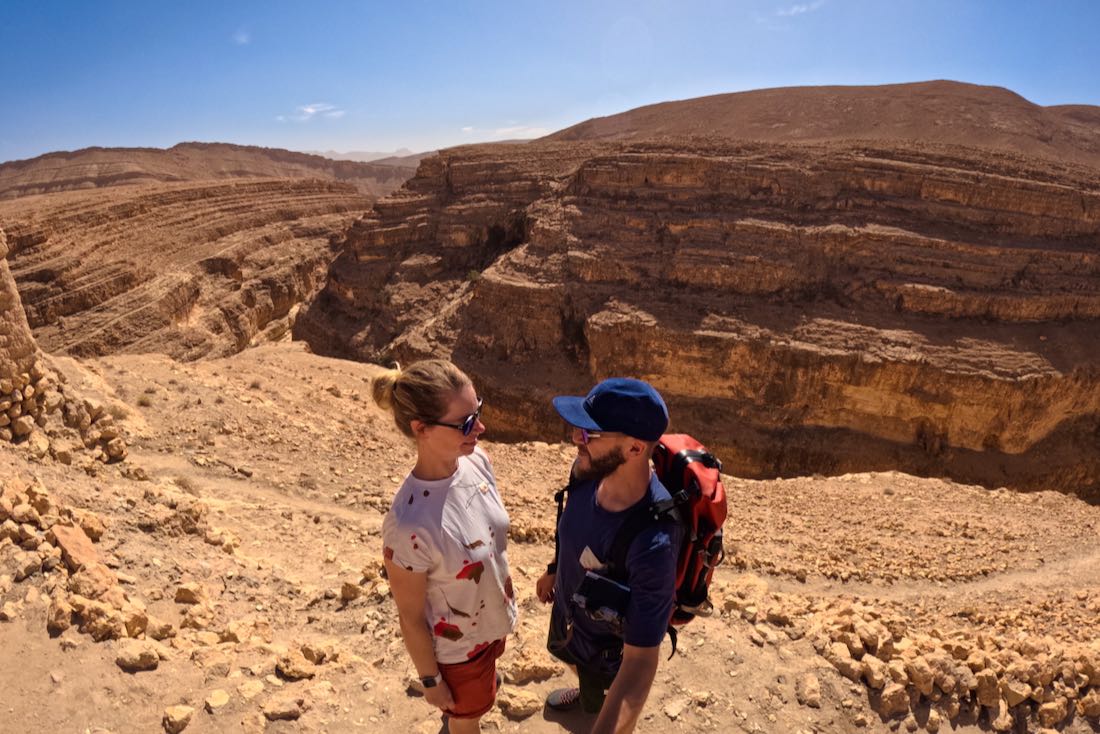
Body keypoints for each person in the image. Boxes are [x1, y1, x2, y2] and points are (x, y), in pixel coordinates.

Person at [373, 360, 517, 734]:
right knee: (465, 723)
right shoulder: (409, 524)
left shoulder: (477, 462)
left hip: (491, 625)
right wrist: (431, 680)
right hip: (458, 653)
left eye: (478, 412)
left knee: (478, 700)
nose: (482, 428)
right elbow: (411, 616)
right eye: (467, 423)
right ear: (421, 429)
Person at [536, 377, 681, 733]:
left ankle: (593, 703)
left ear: (634, 449)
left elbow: (640, 664)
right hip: (570, 616)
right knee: (571, 661)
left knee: (602, 686)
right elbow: (569, 526)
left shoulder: (653, 543)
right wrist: (555, 569)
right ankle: (585, 691)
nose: (575, 439)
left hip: (607, 648)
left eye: (588, 435)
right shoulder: (586, 472)